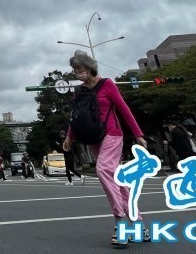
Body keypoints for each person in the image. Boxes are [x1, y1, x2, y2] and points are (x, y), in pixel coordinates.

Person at [62, 51, 149, 248]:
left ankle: (120, 223)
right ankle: (139, 225)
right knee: (117, 181)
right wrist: (69, 136)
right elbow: (75, 115)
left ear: (89, 67)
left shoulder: (107, 84)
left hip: (112, 134)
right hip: (92, 138)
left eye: (79, 68)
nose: (77, 73)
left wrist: (138, 134)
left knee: (102, 169)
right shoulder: (79, 90)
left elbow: (124, 109)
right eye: (75, 70)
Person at [166, 121, 196, 189]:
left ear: (171, 125)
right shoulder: (181, 130)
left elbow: (177, 144)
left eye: (168, 126)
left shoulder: (175, 132)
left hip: (185, 153)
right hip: (190, 152)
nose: (168, 128)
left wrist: (168, 143)